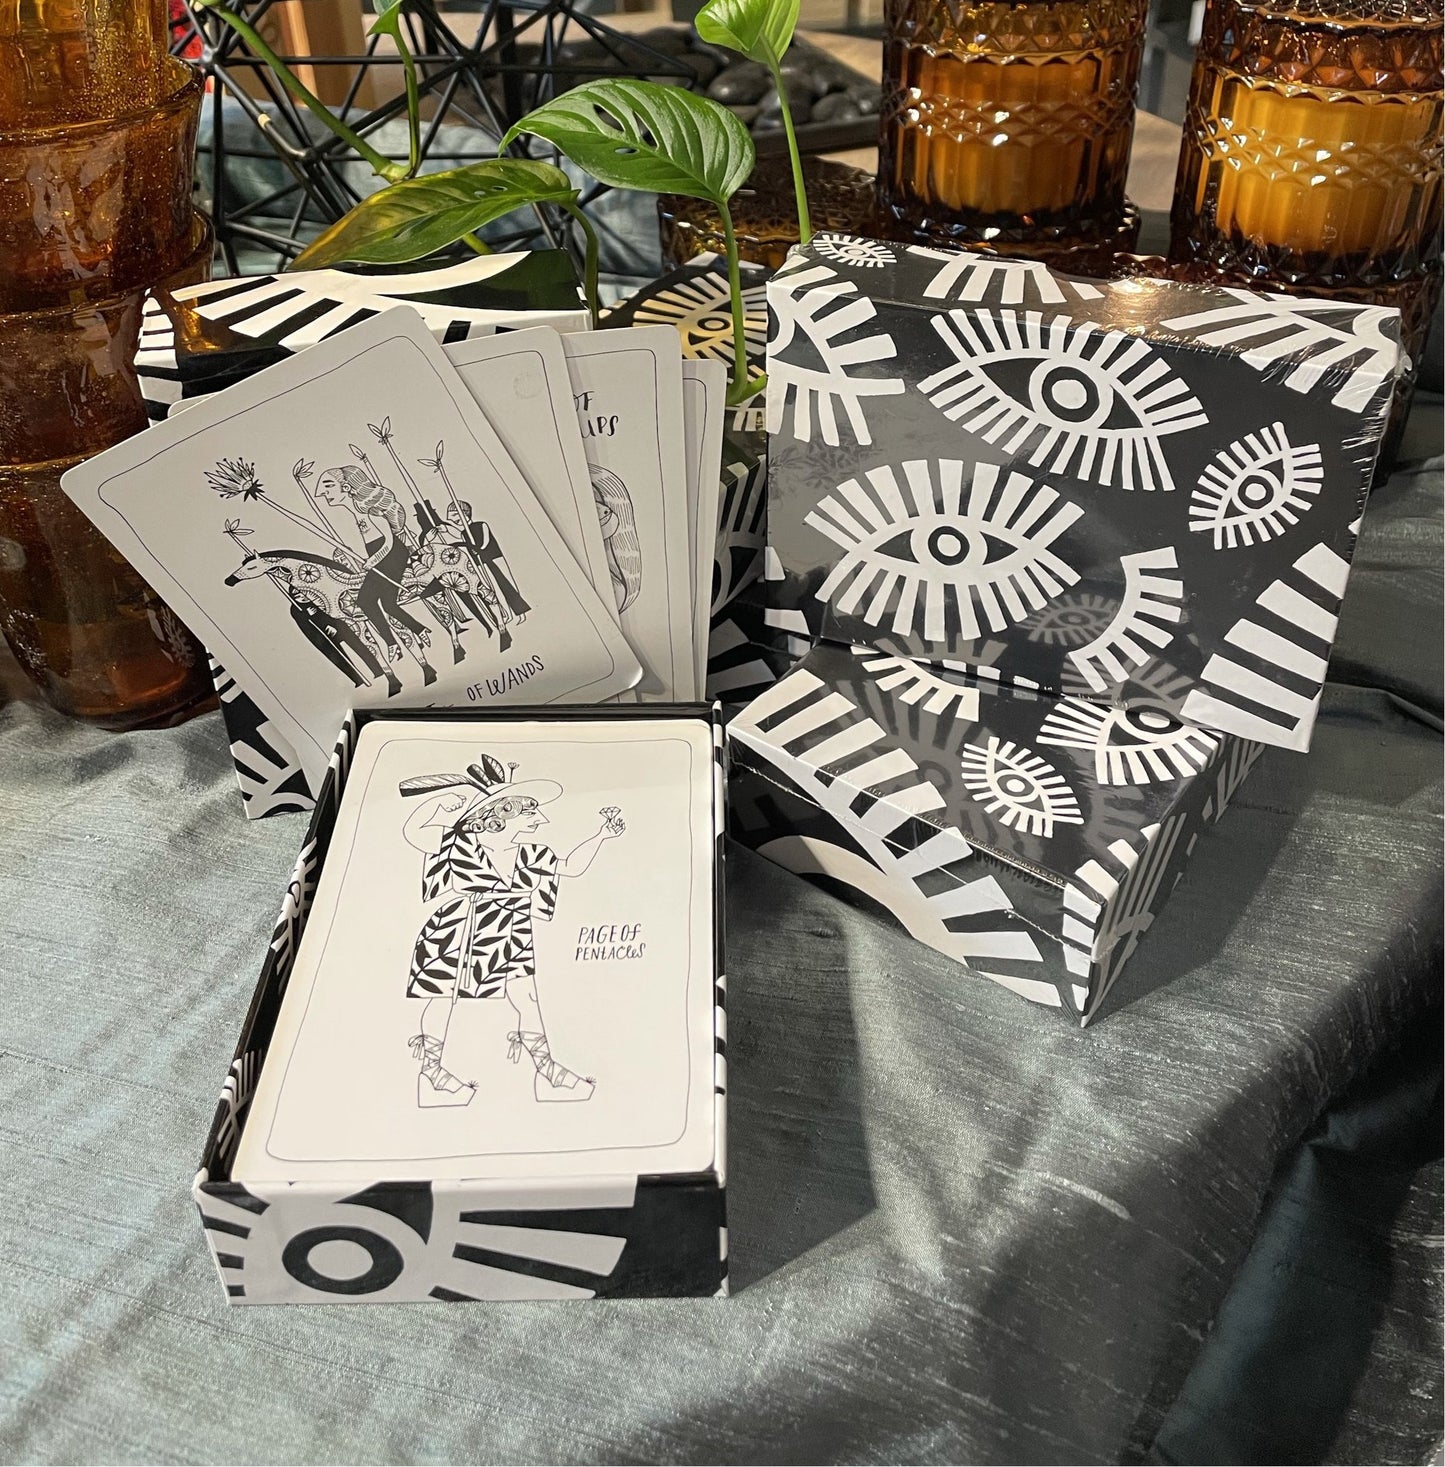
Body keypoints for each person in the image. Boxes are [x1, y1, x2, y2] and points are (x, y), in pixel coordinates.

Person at [399, 756, 625, 1107]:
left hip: (510, 930)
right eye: (530, 812)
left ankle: (547, 1071)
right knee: (444, 998)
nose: (541, 819)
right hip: (457, 930)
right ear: (501, 815)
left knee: (527, 999)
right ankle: (431, 1074)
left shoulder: (534, 854)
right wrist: (437, 804)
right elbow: (413, 833)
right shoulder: (460, 845)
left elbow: (570, 867)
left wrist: (600, 836)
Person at [315, 465, 438, 687]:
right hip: (378, 558)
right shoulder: (355, 513)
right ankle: (399, 638)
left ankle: (413, 632)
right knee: (365, 601)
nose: (323, 493)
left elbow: (390, 543)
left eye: (328, 486)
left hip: (392, 556)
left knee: (388, 604)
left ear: (346, 487)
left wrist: (373, 560)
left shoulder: (371, 511)